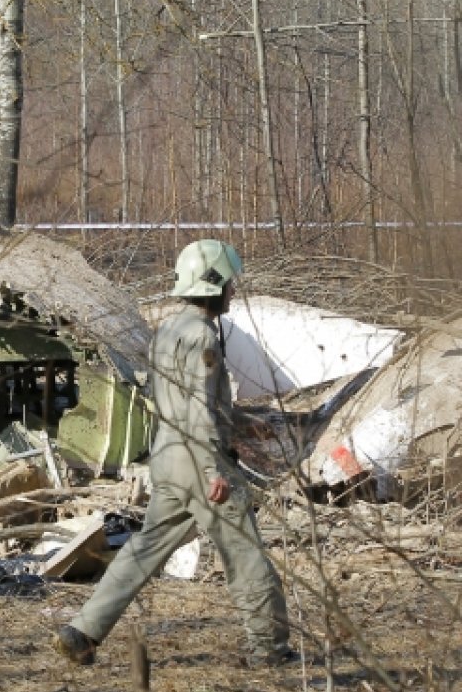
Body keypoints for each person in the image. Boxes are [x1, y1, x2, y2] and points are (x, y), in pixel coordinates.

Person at [53, 239, 291, 668]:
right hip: (200, 462)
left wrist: (239, 422)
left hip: (167, 458)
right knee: (246, 556)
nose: (233, 291)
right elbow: (198, 406)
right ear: (213, 283)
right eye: (229, 282)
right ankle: (269, 651)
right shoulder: (203, 336)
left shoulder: (169, 330)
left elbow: (179, 401)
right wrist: (211, 468)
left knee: (145, 549)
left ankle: (82, 630)